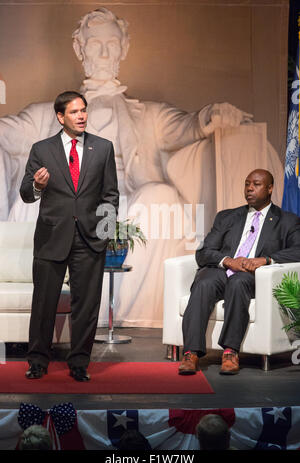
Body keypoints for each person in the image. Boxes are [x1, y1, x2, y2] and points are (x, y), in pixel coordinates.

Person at [0, 8, 283, 329]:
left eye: (112, 43)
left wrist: (210, 116)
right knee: (46, 205)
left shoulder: (148, 115)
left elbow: (188, 125)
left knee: (159, 196)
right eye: (95, 43)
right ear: (80, 49)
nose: (104, 53)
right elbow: (6, 132)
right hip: (68, 206)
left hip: (129, 205)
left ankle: (127, 318)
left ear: (124, 48)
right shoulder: (43, 116)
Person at [20, 90, 119, 381]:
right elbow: (26, 194)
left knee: (86, 306)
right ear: (60, 116)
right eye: (75, 112)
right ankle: (38, 361)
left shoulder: (103, 148)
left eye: (84, 111)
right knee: (44, 303)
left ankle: (79, 363)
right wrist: (37, 186)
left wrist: (103, 235)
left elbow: (110, 195)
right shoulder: (42, 149)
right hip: (52, 238)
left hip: (89, 239)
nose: (82, 116)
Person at [179, 169, 300, 376]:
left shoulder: (286, 220)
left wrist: (266, 260)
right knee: (203, 283)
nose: (250, 188)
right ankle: (191, 353)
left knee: (239, 283)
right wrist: (228, 261)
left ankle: (230, 352)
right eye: (247, 184)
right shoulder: (227, 217)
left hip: (253, 275)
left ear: (270, 188)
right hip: (224, 269)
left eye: (256, 184)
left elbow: (298, 249)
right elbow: (204, 252)